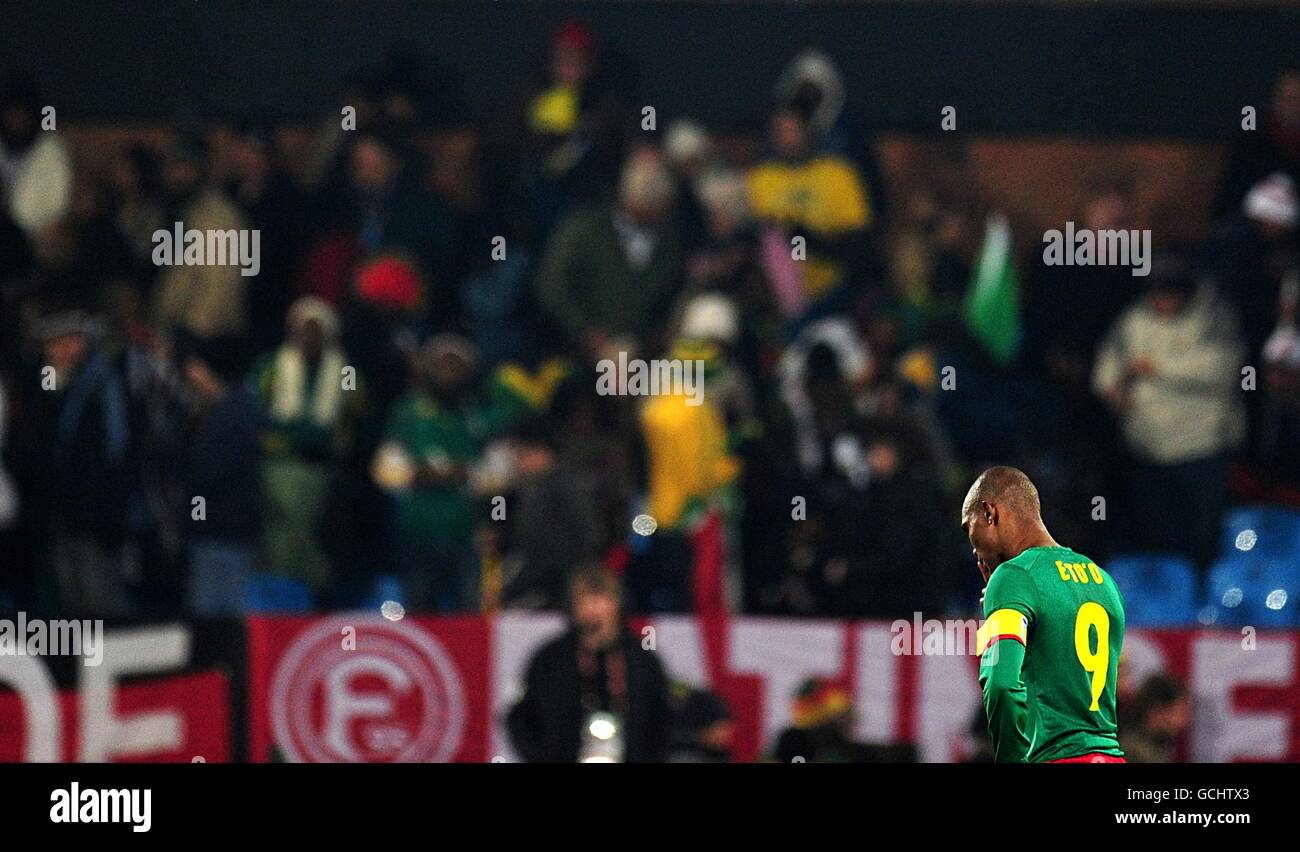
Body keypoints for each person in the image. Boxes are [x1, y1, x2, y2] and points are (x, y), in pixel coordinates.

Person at [961, 466, 1126, 763]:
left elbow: (1001, 685)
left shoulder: (1013, 576)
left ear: (988, 513)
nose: (972, 547)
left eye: (967, 527)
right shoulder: (1104, 582)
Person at [1092, 253, 1245, 569]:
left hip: (1200, 449)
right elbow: (1107, 366)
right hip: (1146, 450)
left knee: (1203, 542)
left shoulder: (1214, 319)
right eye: (1157, 294)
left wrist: (1156, 368)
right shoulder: (1133, 319)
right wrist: (1112, 389)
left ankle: (1204, 610)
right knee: (1158, 542)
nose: (1162, 302)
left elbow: (1222, 368)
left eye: (1170, 294)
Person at [505, 566, 670, 762]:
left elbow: (662, 720)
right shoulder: (550, 659)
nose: (591, 609)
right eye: (583, 600)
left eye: (599, 599)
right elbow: (520, 717)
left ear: (616, 603)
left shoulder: (641, 660)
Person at [1121, 673, 1191, 763]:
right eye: (1180, 713)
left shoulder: (1157, 747)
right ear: (1157, 710)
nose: (1184, 721)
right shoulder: (1133, 751)